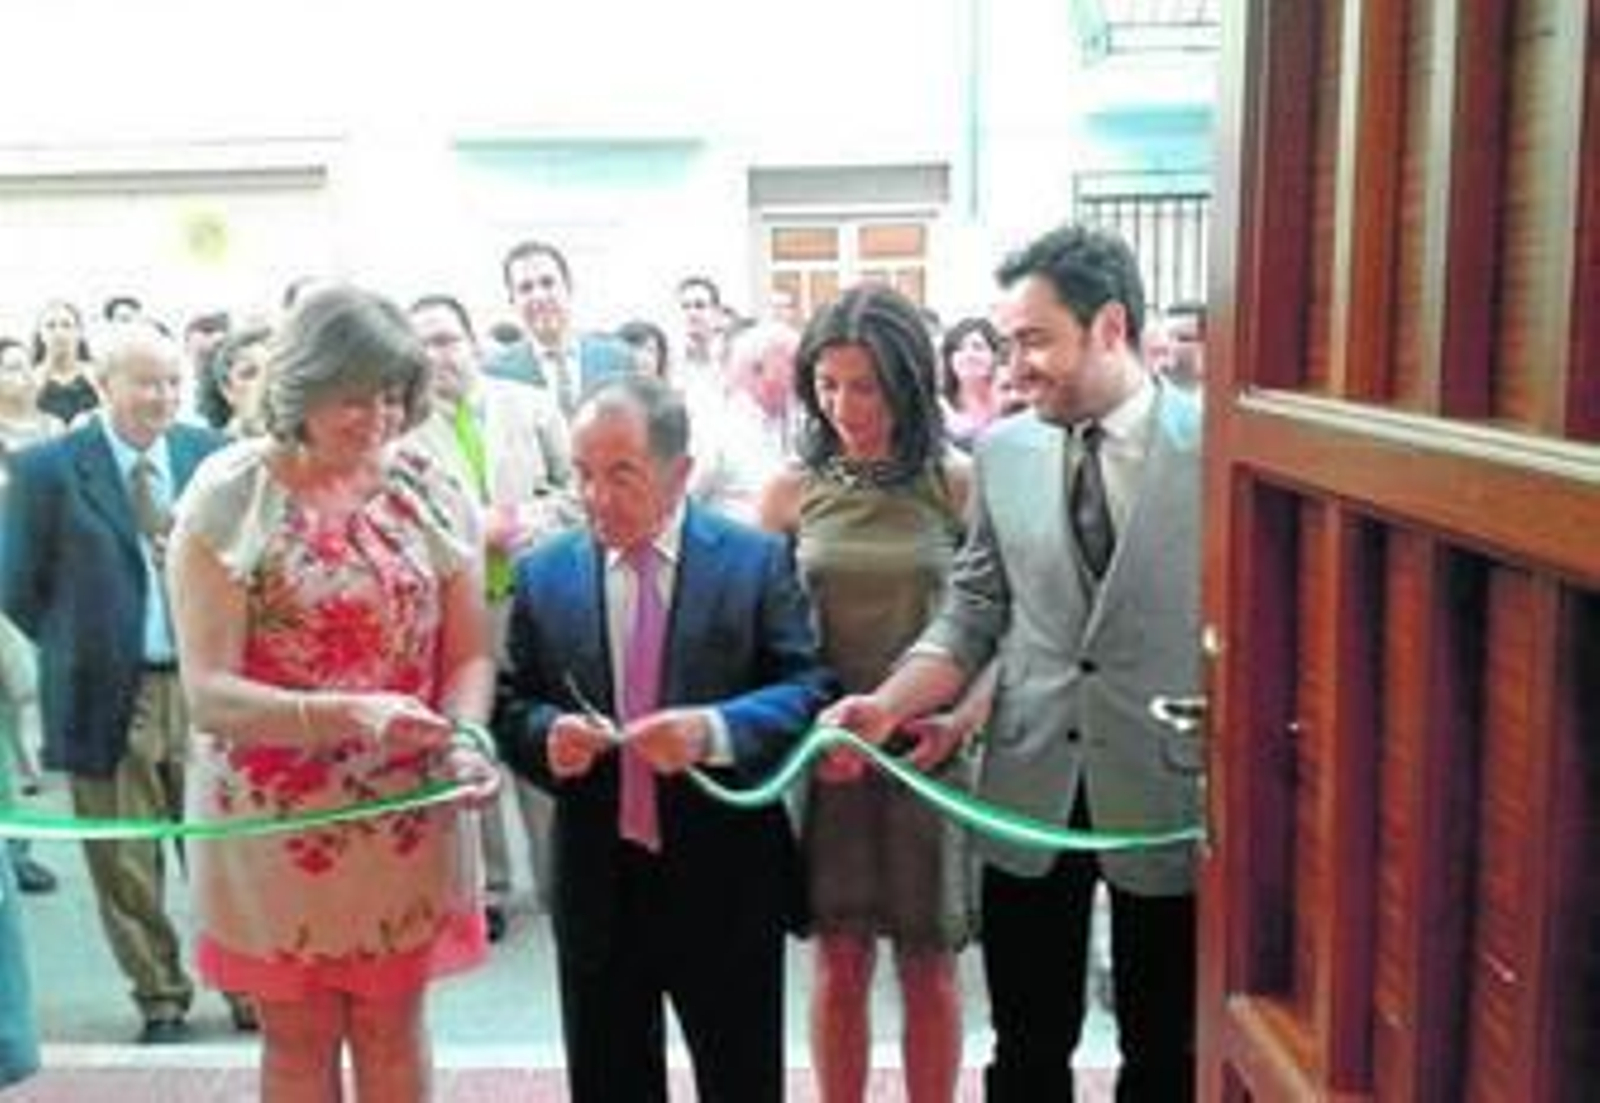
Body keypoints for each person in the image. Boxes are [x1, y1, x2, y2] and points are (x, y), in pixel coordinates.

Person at [825, 224, 1203, 1101]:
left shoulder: (1219, 447)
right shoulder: (1003, 450)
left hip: (1171, 790)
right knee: (1027, 1045)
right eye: (1006, 342)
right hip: (1030, 781)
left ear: (1109, 326)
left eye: (1034, 339)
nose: (1013, 365)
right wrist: (886, 702)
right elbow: (976, 608)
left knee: (1167, 1048)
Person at [168, 284, 500, 1100]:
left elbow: (470, 654)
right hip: (277, 821)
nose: (379, 418)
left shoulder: (425, 483)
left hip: (404, 808)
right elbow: (208, 693)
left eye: (393, 395)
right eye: (354, 396)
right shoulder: (230, 494)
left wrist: (464, 737)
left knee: (393, 1029)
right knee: (299, 1039)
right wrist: (351, 713)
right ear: (300, 389)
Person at [495, 374, 834, 1102]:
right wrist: (544, 732)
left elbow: (807, 686)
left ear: (680, 473)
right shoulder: (545, 573)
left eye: (623, 474)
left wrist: (714, 730)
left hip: (725, 875)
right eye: (583, 473)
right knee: (608, 1077)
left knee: (741, 1075)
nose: (596, 497)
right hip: (597, 875)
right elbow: (509, 700)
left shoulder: (752, 561)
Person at [758, 284, 986, 1103]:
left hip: (932, 747)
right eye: (828, 384)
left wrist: (964, 716)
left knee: (929, 961)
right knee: (839, 954)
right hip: (827, 754)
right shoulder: (791, 490)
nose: (845, 405)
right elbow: (762, 630)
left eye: (866, 385)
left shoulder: (955, 481)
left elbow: (1002, 621)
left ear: (909, 381)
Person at [0, 322, 227, 1043]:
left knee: (222, 848)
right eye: (144, 381)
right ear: (104, 384)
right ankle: (161, 993)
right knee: (125, 859)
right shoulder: (48, 468)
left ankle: (248, 985)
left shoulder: (208, 456)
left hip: (206, 687)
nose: (160, 396)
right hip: (104, 690)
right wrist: (82, 643)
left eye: (170, 381)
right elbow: (18, 584)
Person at [406, 292, 579, 938]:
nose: (438, 355)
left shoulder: (530, 407)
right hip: (457, 608)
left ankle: (560, 874)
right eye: (422, 344)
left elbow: (578, 488)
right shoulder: (403, 428)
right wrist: (470, 530)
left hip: (534, 601)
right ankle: (491, 890)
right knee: (471, 736)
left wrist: (531, 520)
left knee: (541, 736)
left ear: (473, 342)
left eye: (447, 339)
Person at [485, 239, 634, 416]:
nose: (539, 296)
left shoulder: (618, 360)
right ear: (512, 301)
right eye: (526, 288)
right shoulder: (496, 374)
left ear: (569, 287)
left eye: (547, 283)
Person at [938, 316, 1007, 449]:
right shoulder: (940, 406)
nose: (968, 355)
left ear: (995, 355)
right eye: (959, 349)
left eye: (978, 347)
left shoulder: (1011, 394)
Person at [31, 299, 100, 425]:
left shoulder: (96, 373)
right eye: (51, 326)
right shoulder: (30, 378)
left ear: (80, 332)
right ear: (40, 334)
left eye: (66, 325)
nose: (59, 332)